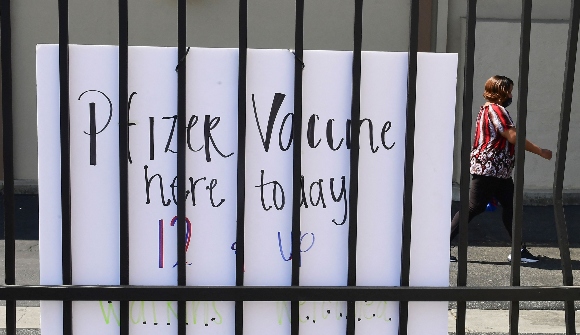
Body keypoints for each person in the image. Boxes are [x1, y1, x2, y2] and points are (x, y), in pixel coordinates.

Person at [450, 75, 552, 263]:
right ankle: (441, 247)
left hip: (498, 170)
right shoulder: (497, 110)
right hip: (490, 168)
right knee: (473, 207)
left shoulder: (486, 109)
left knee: (510, 206)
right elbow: (512, 136)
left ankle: (518, 249)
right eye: (509, 90)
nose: (511, 95)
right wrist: (540, 151)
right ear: (501, 92)